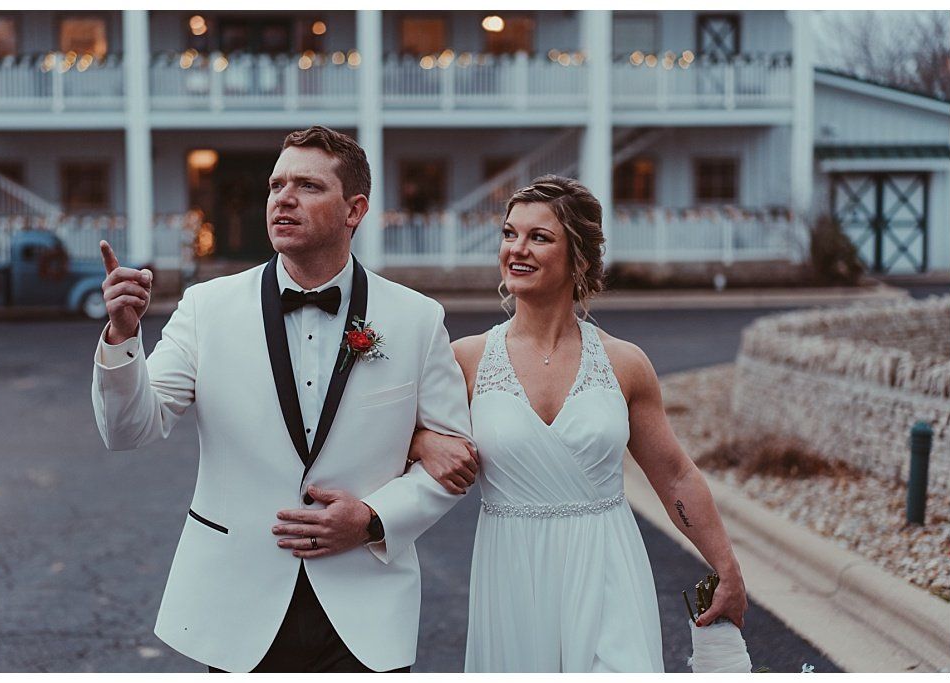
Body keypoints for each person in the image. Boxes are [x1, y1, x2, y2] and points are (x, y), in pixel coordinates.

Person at [91, 126, 478, 673]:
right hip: (237, 605)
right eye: (277, 185)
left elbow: (452, 460)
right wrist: (123, 337)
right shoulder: (206, 308)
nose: (284, 198)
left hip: (366, 606)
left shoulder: (416, 318)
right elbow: (128, 429)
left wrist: (373, 518)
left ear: (354, 210)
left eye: (308, 186)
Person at [410, 175, 748, 672]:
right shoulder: (465, 360)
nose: (516, 249)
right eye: (509, 234)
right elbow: (389, 439)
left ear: (579, 259)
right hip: (513, 573)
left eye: (539, 237)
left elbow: (675, 474)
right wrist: (422, 442)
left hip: (608, 563)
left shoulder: (625, 363)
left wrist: (726, 567)